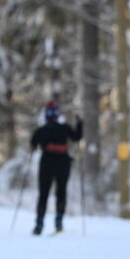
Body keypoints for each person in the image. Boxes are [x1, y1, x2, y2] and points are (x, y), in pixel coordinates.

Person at [31, 100, 83, 235]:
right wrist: (79, 124)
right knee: (61, 193)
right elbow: (77, 137)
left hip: (47, 164)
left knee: (44, 194)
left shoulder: (41, 130)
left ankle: (39, 224)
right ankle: (58, 222)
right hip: (62, 163)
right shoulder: (64, 128)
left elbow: (33, 144)